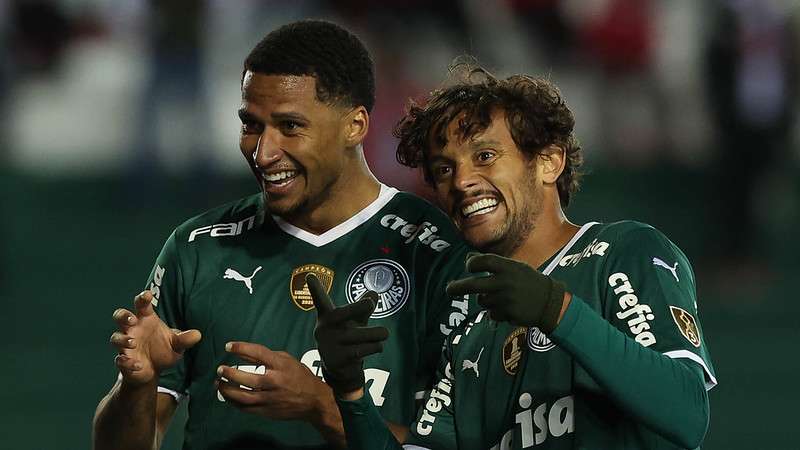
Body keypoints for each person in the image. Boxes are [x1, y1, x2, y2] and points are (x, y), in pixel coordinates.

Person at [92, 21, 477, 450]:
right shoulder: (197, 248)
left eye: (290, 127)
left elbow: (452, 444)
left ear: (355, 125)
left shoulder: (434, 252)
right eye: (251, 125)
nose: (263, 153)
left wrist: (321, 404)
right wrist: (137, 387)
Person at [311, 62, 717, 449]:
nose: (463, 181)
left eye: (484, 156)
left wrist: (555, 310)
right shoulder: (470, 324)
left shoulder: (622, 252)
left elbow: (688, 413)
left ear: (548, 162)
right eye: (444, 169)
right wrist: (349, 392)